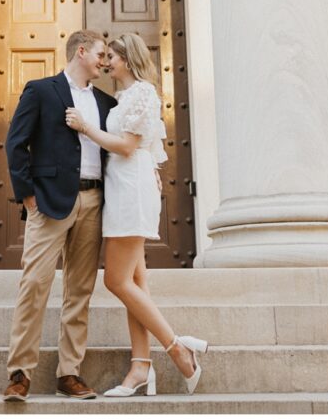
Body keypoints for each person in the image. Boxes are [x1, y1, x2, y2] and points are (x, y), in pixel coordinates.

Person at [64, 33, 209, 397]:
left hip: (131, 190)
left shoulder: (143, 92)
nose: (106, 62)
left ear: (127, 59)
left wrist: (85, 127)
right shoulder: (123, 98)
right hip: (119, 189)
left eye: (111, 56)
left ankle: (178, 347)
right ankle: (139, 368)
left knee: (116, 281)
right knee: (136, 282)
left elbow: (129, 146)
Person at [3, 30, 118, 402]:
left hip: (93, 202)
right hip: (48, 202)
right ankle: (20, 373)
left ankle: (69, 374)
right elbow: (16, 143)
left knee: (80, 290)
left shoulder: (105, 101)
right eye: (100, 54)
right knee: (35, 284)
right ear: (81, 52)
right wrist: (27, 196)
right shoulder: (41, 90)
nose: (104, 60)